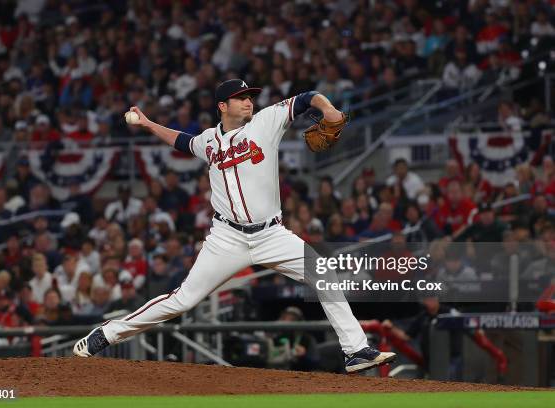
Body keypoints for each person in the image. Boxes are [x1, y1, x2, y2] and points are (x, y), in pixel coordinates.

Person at [74, 79, 396, 373]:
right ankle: (106, 333)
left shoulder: (267, 122)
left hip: (271, 234)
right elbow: (183, 142)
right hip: (226, 238)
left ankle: (355, 351)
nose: (248, 102)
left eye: (249, 96)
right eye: (240, 98)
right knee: (182, 300)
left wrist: (328, 109)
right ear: (222, 107)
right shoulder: (208, 140)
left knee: (323, 274)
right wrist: (147, 123)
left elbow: (307, 98)